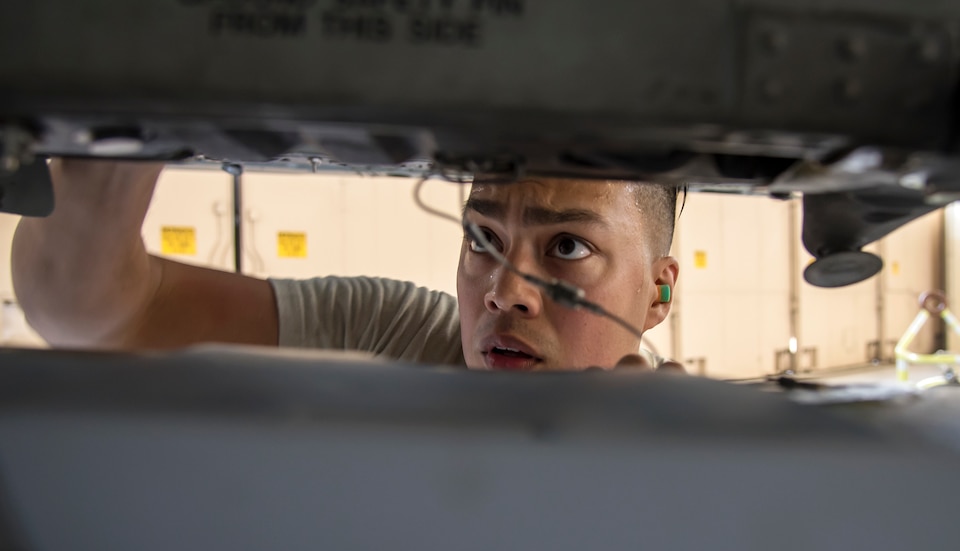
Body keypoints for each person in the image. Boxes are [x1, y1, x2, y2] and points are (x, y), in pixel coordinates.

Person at [12, 159, 681, 370]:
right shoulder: (396, 336)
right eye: (483, 239)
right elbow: (98, 316)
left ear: (658, 290)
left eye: (566, 247)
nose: (505, 293)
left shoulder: (687, 466)